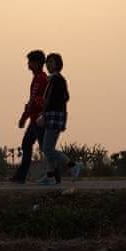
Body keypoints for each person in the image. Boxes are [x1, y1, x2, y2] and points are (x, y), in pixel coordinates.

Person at [11, 50, 58, 183]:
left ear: (37, 63)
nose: (28, 64)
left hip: (39, 119)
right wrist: (25, 117)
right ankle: (20, 176)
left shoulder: (41, 79)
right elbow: (32, 100)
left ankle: (55, 174)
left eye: (30, 62)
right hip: (34, 119)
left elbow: (36, 100)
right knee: (28, 144)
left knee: (45, 147)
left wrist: (25, 117)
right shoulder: (38, 78)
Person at [37, 53, 82, 185]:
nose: (48, 65)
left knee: (47, 148)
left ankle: (73, 165)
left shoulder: (56, 80)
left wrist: (43, 115)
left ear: (58, 64)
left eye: (51, 62)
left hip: (54, 116)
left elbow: (48, 100)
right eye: (47, 62)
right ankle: (50, 176)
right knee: (48, 147)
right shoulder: (56, 79)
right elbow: (66, 97)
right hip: (55, 114)